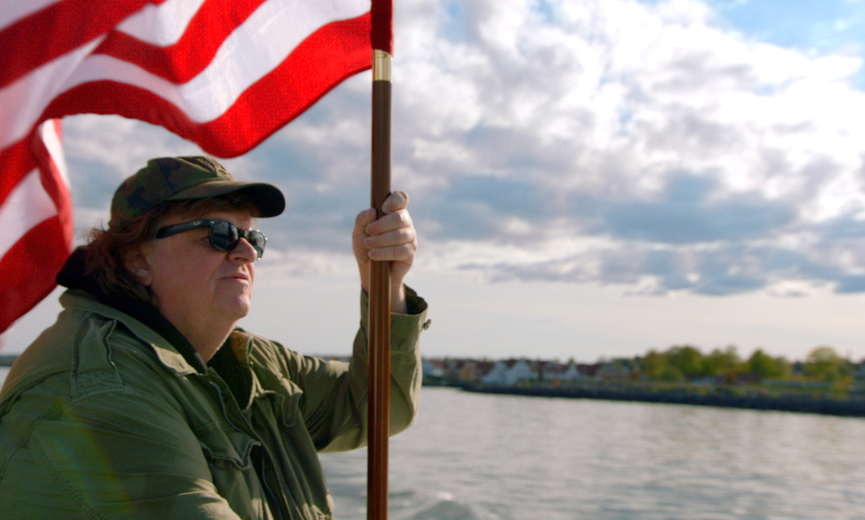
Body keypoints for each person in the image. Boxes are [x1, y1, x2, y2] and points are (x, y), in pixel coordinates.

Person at [0, 156, 429, 519]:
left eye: (252, 238)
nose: (244, 251)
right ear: (136, 259)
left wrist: (385, 288)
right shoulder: (96, 390)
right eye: (218, 234)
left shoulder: (250, 360)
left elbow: (376, 406)